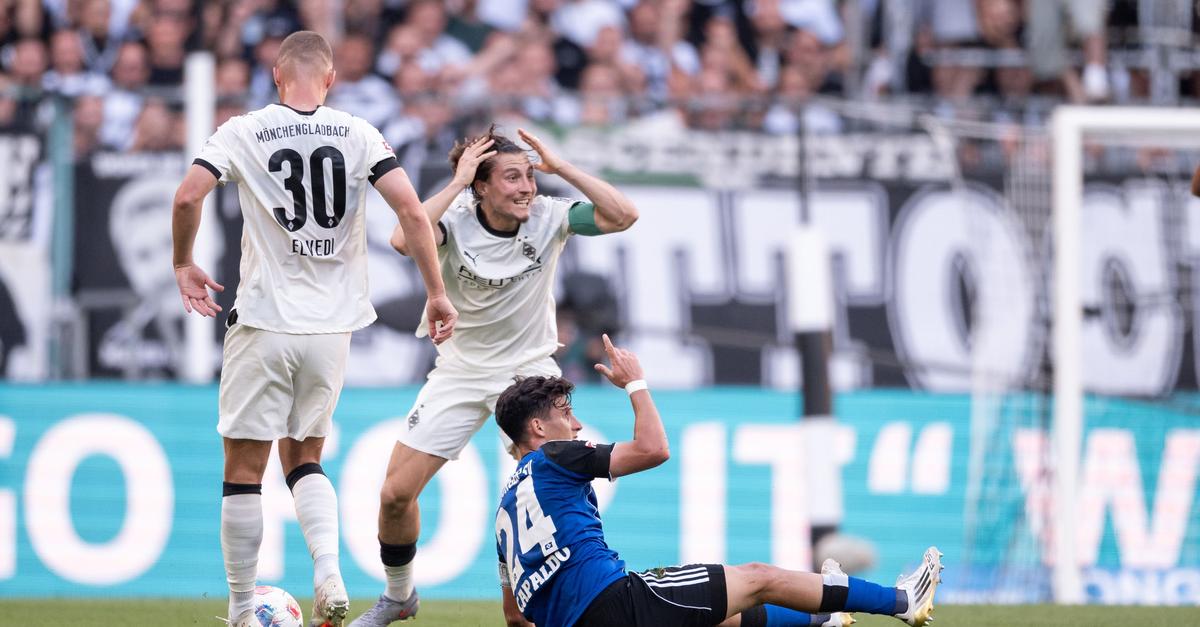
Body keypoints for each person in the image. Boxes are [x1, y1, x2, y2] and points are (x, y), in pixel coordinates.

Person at [170, 31, 457, 627]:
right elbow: (410, 211)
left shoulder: (243, 130)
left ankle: (243, 611)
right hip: (332, 329)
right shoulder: (358, 132)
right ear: (330, 80)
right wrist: (435, 292)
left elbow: (186, 196)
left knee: (243, 469)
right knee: (305, 458)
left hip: (265, 320)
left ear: (277, 75)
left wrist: (182, 261)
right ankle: (328, 571)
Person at [350, 126, 639, 625]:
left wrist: (562, 168)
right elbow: (403, 237)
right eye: (512, 177)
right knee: (396, 495)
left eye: (528, 176)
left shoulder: (549, 216)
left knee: (550, 492)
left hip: (529, 373)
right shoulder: (454, 221)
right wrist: (456, 181)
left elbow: (624, 215)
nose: (526, 187)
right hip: (461, 371)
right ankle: (399, 595)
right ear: (480, 186)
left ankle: (558, 605)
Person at [492, 334, 943, 627]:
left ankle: (822, 619)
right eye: (566, 414)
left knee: (720, 610)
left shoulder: (503, 516)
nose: (575, 425)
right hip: (616, 604)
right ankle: (902, 599)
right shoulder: (553, 458)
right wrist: (636, 384)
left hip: (588, 619)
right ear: (536, 428)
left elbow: (515, 618)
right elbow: (654, 449)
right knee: (758, 576)